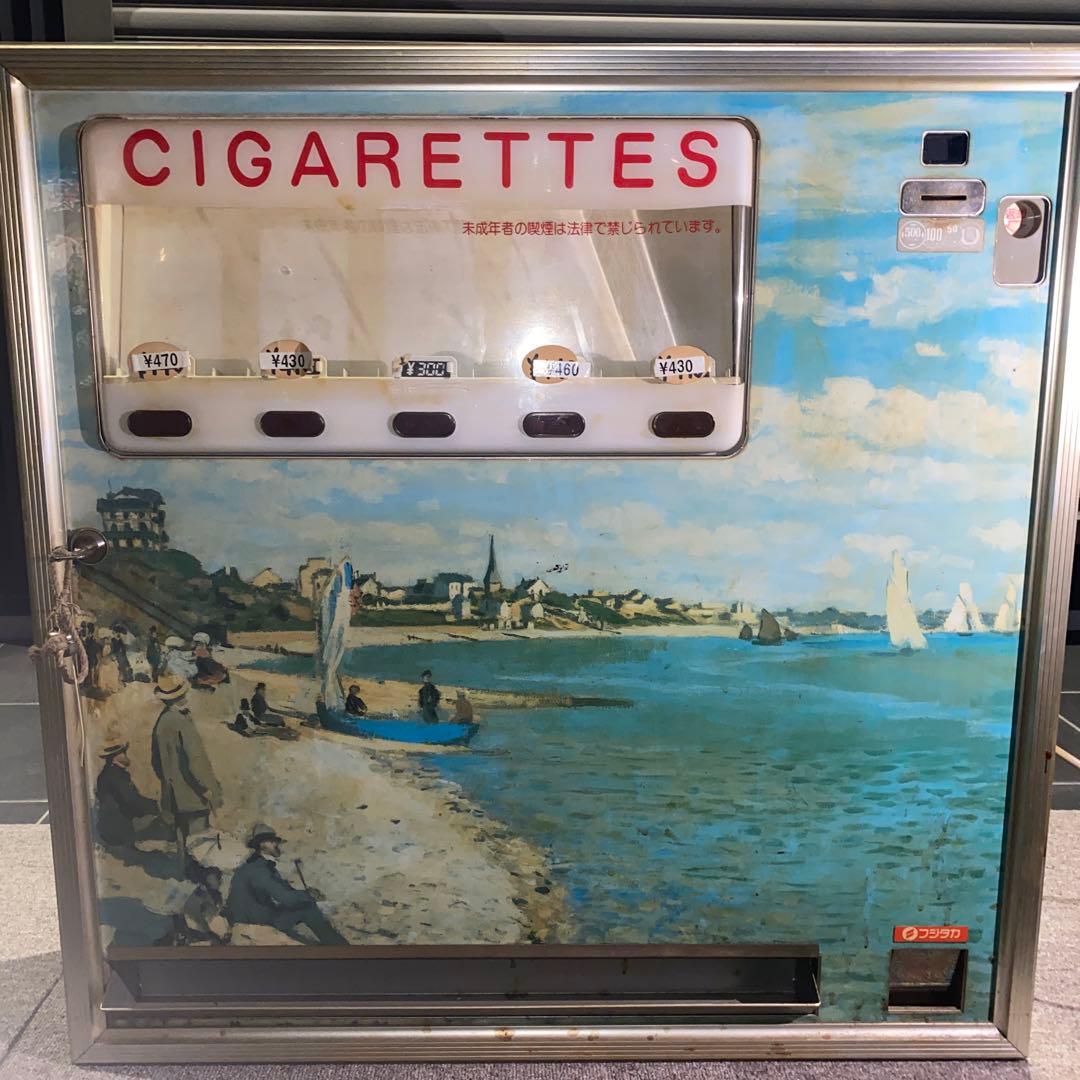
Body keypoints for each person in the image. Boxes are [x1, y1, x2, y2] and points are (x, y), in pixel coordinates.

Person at [225, 823, 346, 945]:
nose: (276, 845)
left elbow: (284, 890)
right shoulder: (258, 870)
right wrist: (308, 895)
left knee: (304, 908)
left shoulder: (259, 865)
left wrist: (304, 894)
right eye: (271, 842)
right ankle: (340, 947)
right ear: (261, 844)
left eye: (275, 841)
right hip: (256, 921)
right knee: (308, 909)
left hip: (257, 915)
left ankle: (336, 945)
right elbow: (286, 898)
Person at [150, 674, 221, 865]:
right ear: (179, 697)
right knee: (199, 840)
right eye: (183, 694)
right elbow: (194, 761)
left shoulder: (161, 721)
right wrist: (205, 787)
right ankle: (197, 873)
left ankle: (183, 869)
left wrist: (168, 780)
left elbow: (155, 762)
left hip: (172, 793)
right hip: (191, 793)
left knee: (181, 835)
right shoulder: (181, 721)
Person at [94, 735, 170, 848]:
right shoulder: (115, 776)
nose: (126, 755)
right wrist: (155, 806)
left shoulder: (109, 774)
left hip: (112, 827)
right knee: (163, 828)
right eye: (122, 753)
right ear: (114, 757)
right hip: (118, 830)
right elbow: (131, 800)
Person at [181, 863, 231, 944]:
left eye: (219, 877)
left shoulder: (215, 895)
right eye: (217, 878)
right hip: (201, 938)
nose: (220, 880)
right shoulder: (197, 898)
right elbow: (200, 924)